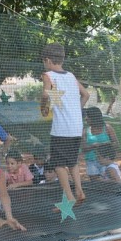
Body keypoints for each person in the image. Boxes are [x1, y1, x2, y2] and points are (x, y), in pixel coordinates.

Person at [40, 43, 90, 204]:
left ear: (47, 60)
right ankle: (80, 191)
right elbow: (86, 95)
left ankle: (69, 198)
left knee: (58, 164)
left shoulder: (48, 75)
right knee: (72, 162)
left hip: (62, 129)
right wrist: (76, 110)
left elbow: (46, 95)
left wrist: (43, 108)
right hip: (76, 127)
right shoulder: (71, 76)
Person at [96, 143, 121, 241]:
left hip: (113, 201)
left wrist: (103, 181)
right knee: (117, 229)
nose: (98, 159)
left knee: (113, 230)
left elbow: (118, 182)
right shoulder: (113, 166)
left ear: (106, 157)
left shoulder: (110, 168)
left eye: (99, 157)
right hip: (115, 200)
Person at [81, 107, 119, 180]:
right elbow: (83, 149)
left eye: (87, 116)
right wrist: (93, 146)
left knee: (108, 181)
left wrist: (106, 144)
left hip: (105, 161)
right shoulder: (85, 131)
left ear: (94, 117)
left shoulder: (107, 128)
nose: (86, 118)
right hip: (91, 161)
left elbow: (116, 144)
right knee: (95, 183)